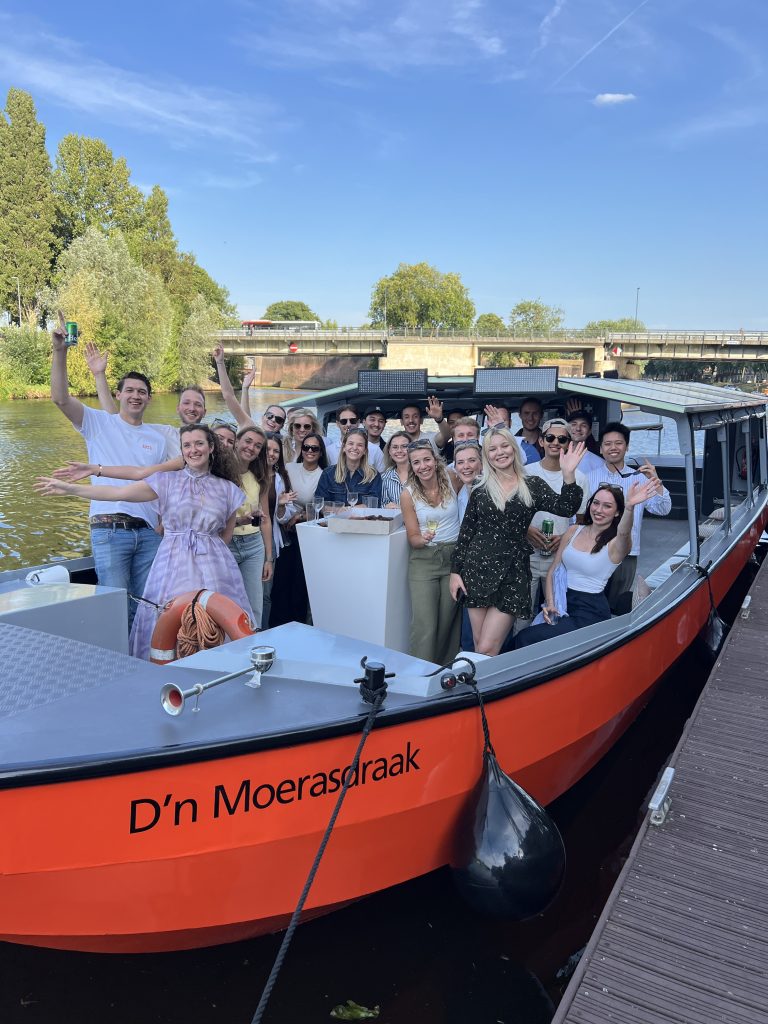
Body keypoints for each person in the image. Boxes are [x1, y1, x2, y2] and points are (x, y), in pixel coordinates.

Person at [36, 425, 252, 660]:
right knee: (170, 616)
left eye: (199, 443)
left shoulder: (229, 490)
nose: (193, 450)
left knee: (217, 618)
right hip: (173, 560)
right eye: (187, 445)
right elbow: (119, 494)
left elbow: (226, 536)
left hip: (216, 563)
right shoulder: (167, 482)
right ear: (181, 451)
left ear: (211, 447)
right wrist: (71, 489)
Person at [49, 316, 166, 629]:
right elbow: (60, 398)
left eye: (142, 391)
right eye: (129, 390)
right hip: (109, 529)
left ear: (149, 398)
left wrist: (164, 519)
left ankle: (147, 668)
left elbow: (170, 481)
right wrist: (60, 352)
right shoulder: (98, 424)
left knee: (149, 610)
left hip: (149, 533)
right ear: (119, 394)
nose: (136, 395)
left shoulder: (158, 436)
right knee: (115, 609)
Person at [449, 427, 585, 657]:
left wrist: (569, 475)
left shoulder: (532, 484)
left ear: (514, 448)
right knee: (478, 643)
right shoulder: (480, 487)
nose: (499, 452)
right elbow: (467, 533)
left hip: (512, 574)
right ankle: (486, 691)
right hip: (477, 571)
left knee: (487, 648)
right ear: (487, 455)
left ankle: (487, 691)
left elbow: (566, 507)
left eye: (504, 446)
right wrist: (455, 572)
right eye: (492, 449)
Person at [515, 480, 658, 648]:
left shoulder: (616, 544)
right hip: (562, 601)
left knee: (527, 639)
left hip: (589, 610)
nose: (599, 510)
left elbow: (624, 532)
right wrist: (551, 604)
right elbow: (553, 569)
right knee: (526, 639)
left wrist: (630, 507)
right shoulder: (574, 530)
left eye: (607, 506)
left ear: (617, 512)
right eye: (596, 503)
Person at [586, 421, 671, 611]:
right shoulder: (589, 477)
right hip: (594, 548)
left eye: (618, 443)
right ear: (600, 449)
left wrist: (655, 482)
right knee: (592, 601)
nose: (613, 448)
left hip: (627, 552)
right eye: (608, 444)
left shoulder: (640, 478)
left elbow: (663, 509)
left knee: (617, 604)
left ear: (626, 446)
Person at [82, 342, 206, 458]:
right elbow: (117, 422)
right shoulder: (164, 434)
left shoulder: (214, 439)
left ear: (204, 411)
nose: (192, 408)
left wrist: (220, 364)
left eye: (198, 404)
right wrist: (99, 375)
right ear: (178, 408)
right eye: (186, 403)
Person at [400, 439, 463, 664]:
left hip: (454, 558)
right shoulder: (408, 494)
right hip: (424, 560)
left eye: (427, 459)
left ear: (435, 461)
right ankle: (419, 674)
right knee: (425, 624)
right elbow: (413, 537)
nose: (423, 466)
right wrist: (422, 539)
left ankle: (444, 672)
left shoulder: (452, 477)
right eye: (416, 462)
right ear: (411, 467)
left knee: (448, 621)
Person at [523, 418, 589, 620]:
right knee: (521, 616)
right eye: (550, 437)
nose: (555, 442)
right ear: (541, 441)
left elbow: (581, 521)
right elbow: (512, 515)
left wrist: (564, 538)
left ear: (569, 444)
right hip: (527, 555)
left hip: (560, 557)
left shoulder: (580, 478)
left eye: (562, 439)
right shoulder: (525, 473)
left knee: (556, 611)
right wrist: (527, 530)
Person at [270, 433, 329, 628]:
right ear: (301, 450)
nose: (310, 451)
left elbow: (320, 506)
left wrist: (300, 515)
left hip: (306, 533)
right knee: (281, 582)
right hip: (283, 528)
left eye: (315, 448)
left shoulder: (324, 474)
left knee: (299, 585)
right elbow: (280, 493)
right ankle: (277, 625)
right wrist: (286, 513)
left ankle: (297, 625)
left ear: (321, 452)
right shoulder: (289, 468)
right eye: (306, 447)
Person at [230, 426, 274, 628]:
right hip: (227, 542)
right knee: (227, 601)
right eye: (248, 441)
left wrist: (268, 558)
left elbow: (265, 519)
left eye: (258, 446)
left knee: (254, 605)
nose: (251, 448)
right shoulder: (220, 472)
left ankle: (254, 649)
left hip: (253, 544)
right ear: (236, 441)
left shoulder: (260, 476)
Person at [262, 432, 297, 628]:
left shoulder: (281, 478)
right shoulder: (248, 475)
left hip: (270, 542)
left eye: (276, 451)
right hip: (246, 537)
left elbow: (283, 518)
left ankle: (262, 633)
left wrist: (282, 505)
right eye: (268, 449)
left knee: (266, 594)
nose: (272, 454)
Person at [212, 345, 287, 434]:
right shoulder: (253, 433)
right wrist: (220, 363)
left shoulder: (283, 444)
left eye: (279, 420)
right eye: (270, 416)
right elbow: (229, 396)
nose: (273, 420)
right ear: (263, 417)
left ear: (282, 426)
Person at [315, 428, 382, 504]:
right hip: (336, 516)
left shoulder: (373, 476)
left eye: (360, 445)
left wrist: (350, 511)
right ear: (344, 447)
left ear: (365, 451)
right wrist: (339, 510)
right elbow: (319, 504)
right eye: (351, 443)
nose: (354, 448)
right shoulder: (328, 473)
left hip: (362, 516)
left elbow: (374, 504)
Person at [324, 405, 385, 471]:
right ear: (338, 424)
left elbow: (382, 477)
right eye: (343, 421)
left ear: (358, 422)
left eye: (352, 421)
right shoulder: (329, 451)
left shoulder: (375, 450)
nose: (348, 424)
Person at [565, 407, 604, 474]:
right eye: (574, 424)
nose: (578, 428)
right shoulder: (559, 456)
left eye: (583, 425)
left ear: (589, 431)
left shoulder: (600, 463)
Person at [380, 431, 411, 506]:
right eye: (395, 447)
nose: (399, 450)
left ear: (412, 449)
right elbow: (382, 504)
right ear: (389, 451)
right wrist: (387, 507)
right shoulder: (384, 478)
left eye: (404, 446)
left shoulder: (421, 474)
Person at [514, 397, 544, 464]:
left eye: (535, 413)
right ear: (520, 415)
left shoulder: (549, 442)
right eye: (526, 413)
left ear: (541, 415)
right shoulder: (512, 442)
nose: (530, 418)